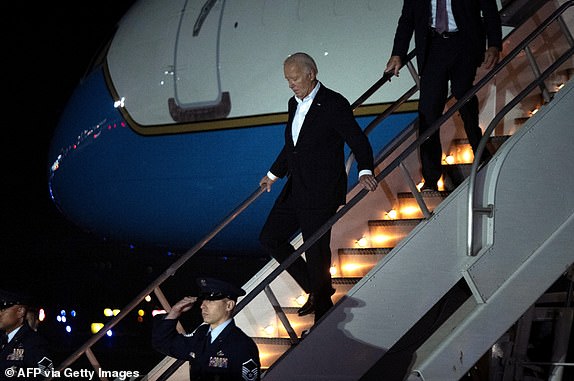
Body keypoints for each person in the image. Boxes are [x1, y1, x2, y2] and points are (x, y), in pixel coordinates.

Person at [259, 52, 378, 326]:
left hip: (322, 190)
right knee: (269, 237)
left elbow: (358, 140)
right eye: (287, 79)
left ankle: (323, 313)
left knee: (316, 250)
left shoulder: (334, 104)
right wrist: (272, 174)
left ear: (311, 73)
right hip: (296, 187)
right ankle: (317, 288)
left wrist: (365, 170)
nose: (290, 84)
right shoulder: (294, 103)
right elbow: (293, 145)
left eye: (294, 78)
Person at [385, 0, 502, 191]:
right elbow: (407, 20)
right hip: (433, 46)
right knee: (428, 112)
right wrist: (398, 53)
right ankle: (431, 179)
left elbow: (489, 9)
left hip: (464, 43)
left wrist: (494, 44)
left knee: (463, 95)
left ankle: (480, 150)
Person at [152, 277, 260, 381]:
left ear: (229, 305)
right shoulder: (201, 334)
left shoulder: (242, 345)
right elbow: (162, 342)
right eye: (203, 300)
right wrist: (174, 312)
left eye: (211, 300)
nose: (202, 306)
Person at [0, 290, 54, 379]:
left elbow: (47, 375)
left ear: (20, 311)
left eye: (2, 309)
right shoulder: (3, 340)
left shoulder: (34, 343)